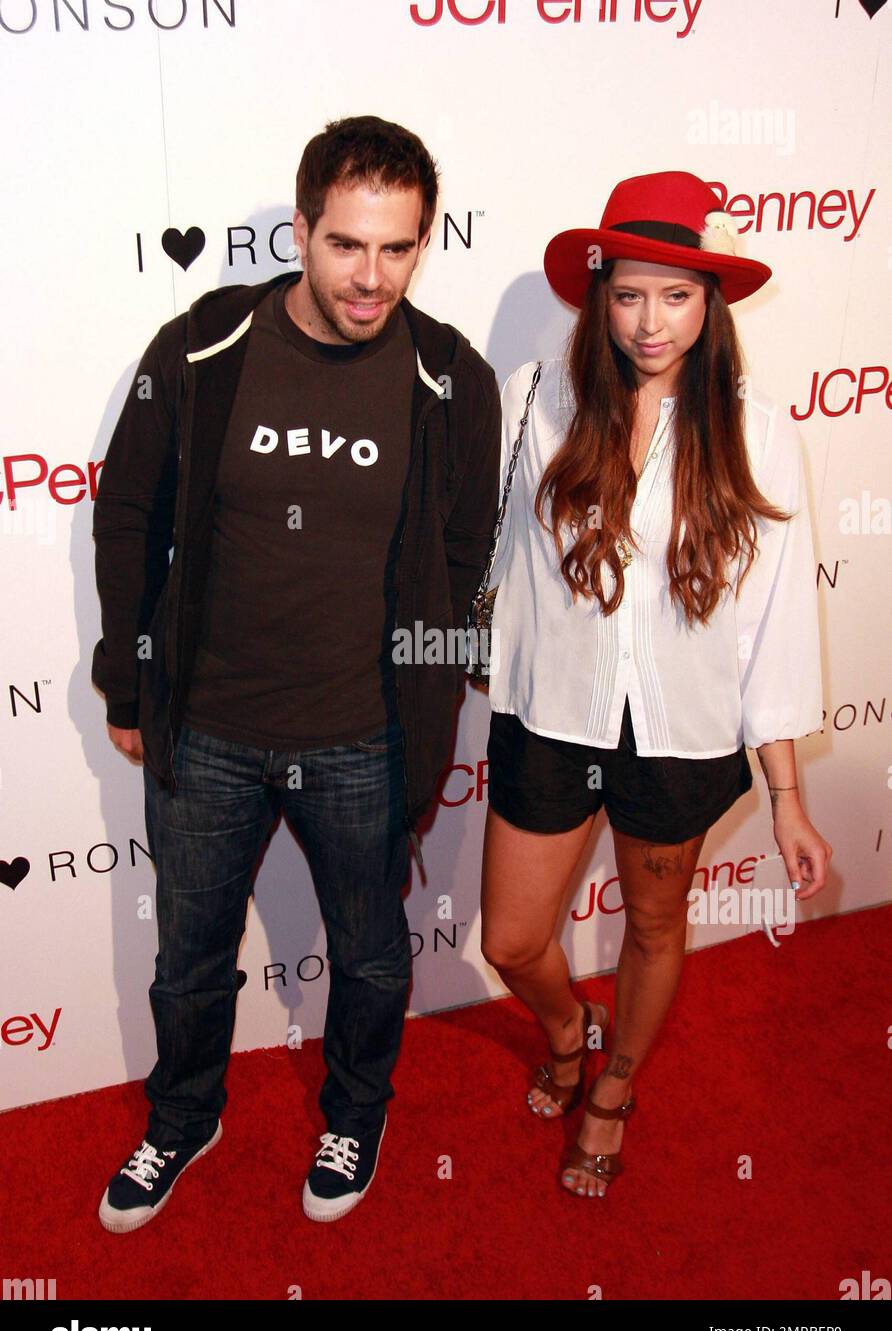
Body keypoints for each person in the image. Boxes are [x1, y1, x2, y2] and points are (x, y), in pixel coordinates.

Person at [91, 114, 501, 1230]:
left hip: (363, 737)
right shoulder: (202, 346)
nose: (372, 279)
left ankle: (355, 1111)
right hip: (207, 728)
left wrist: (424, 708)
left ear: (423, 243)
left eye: (399, 249)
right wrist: (129, 684)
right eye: (346, 246)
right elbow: (129, 514)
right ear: (303, 226)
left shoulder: (450, 378)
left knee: (371, 959)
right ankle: (182, 1116)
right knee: (188, 959)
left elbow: (464, 556)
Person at [479, 171, 832, 1199]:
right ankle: (564, 1028)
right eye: (629, 293)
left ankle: (611, 1088)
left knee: (654, 926)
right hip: (551, 715)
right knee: (511, 936)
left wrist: (788, 798)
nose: (650, 320)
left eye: (675, 295)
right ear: (598, 296)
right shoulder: (535, 401)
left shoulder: (757, 430)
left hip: (681, 731)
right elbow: (490, 561)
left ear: (709, 304)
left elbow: (769, 624)